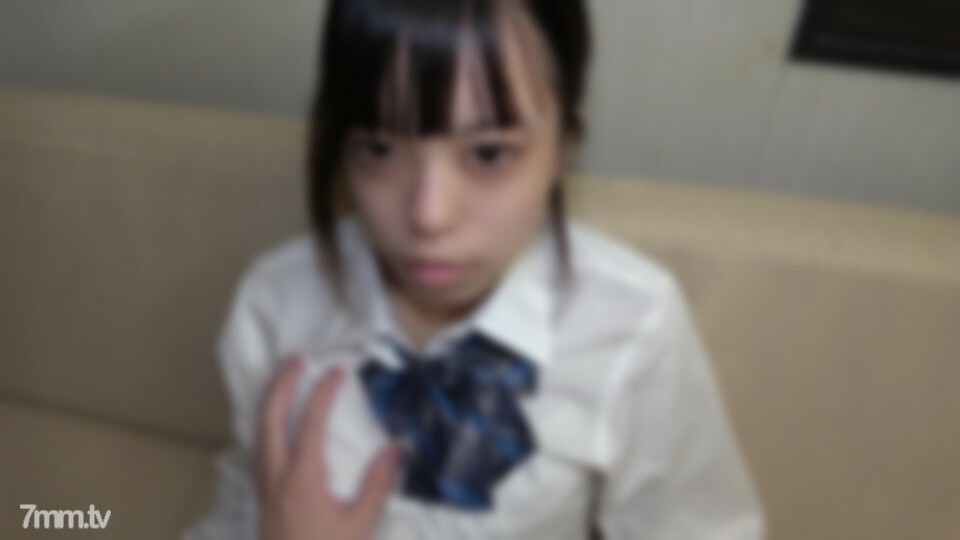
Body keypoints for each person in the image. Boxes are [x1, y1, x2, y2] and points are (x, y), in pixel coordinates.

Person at [183, 0, 766, 538]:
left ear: (564, 145)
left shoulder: (633, 325)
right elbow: (242, 498)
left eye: (489, 153)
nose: (428, 215)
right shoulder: (274, 300)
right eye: (379, 149)